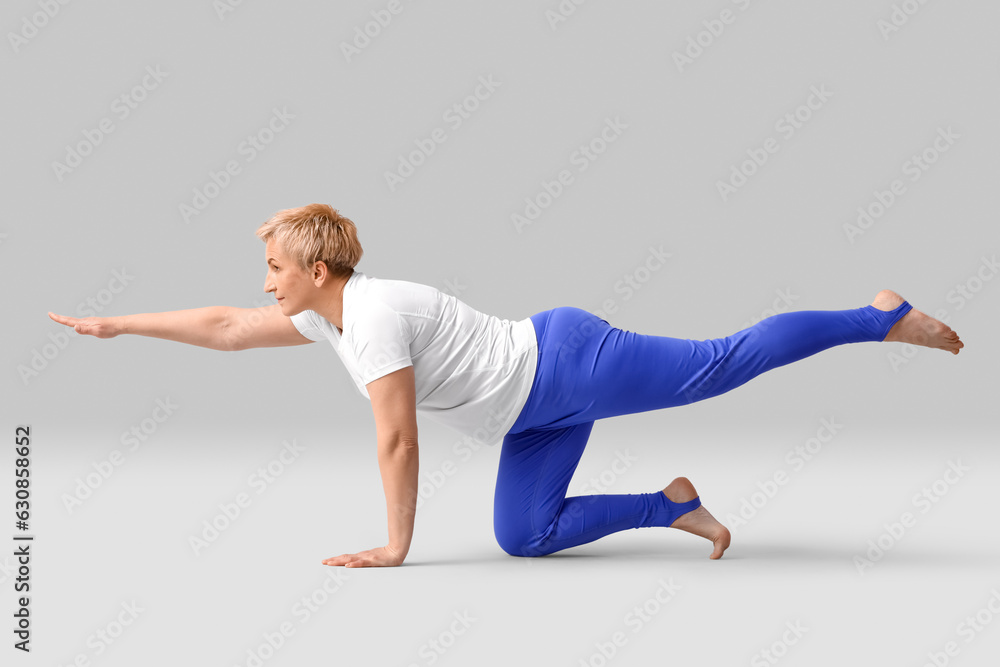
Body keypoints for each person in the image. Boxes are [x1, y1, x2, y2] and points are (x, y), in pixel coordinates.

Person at [48, 203, 964, 568]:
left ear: (319, 266)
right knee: (523, 536)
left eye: (276, 266)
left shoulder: (369, 318)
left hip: (567, 363)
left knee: (720, 364)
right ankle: (671, 503)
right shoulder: (331, 312)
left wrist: (395, 545)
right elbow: (225, 328)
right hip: (530, 417)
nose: (265, 283)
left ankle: (878, 315)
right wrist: (119, 324)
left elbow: (397, 437)